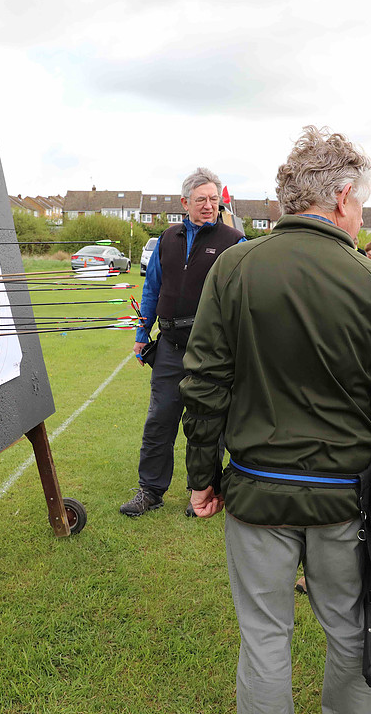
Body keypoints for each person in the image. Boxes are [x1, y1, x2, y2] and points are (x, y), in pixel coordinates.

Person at [180, 126, 371, 714]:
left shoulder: (236, 266)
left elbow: (204, 384)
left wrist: (202, 474)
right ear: (342, 198)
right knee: (349, 633)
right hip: (334, 498)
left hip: (275, 490)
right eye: (361, 204)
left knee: (265, 637)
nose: (361, 216)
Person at [121, 168, 244, 516]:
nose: (209, 205)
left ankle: (202, 491)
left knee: (206, 424)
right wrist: (142, 336)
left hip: (212, 352)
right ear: (184, 202)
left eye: (214, 199)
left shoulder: (235, 242)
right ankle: (150, 490)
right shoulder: (166, 239)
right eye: (201, 199)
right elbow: (151, 290)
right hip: (170, 347)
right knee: (159, 420)